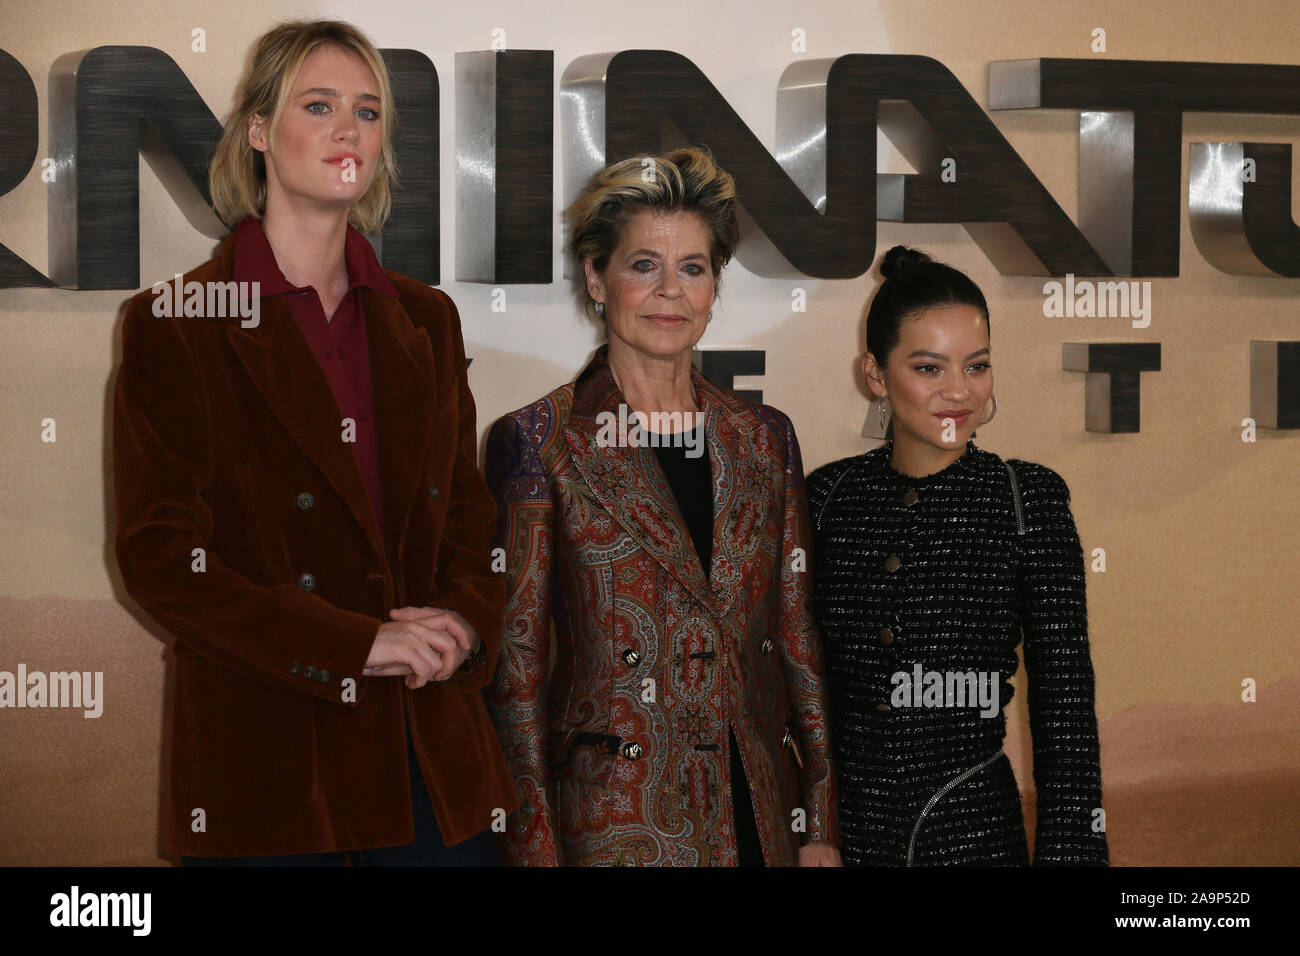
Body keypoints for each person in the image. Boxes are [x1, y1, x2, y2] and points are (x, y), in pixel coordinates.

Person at [112, 19, 516, 865]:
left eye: (368, 112)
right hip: (272, 764)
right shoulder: (175, 323)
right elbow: (160, 557)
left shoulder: (425, 318)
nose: (348, 130)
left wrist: (464, 623)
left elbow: (472, 523)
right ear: (259, 132)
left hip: (431, 759)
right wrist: (350, 641)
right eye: (320, 104)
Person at [484, 147, 840, 866]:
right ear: (596, 278)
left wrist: (819, 827)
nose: (670, 292)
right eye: (644, 265)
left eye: (693, 268)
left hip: (757, 815)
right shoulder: (538, 443)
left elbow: (795, 637)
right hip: (613, 824)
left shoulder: (766, 441)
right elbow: (517, 673)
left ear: (715, 286)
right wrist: (534, 850)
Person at [807, 245, 1108, 866]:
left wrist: (1072, 857)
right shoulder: (827, 497)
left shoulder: (1028, 499)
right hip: (846, 843)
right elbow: (796, 684)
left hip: (975, 835)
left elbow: (1065, 705)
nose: (957, 393)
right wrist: (815, 831)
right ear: (875, 375)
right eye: (928, 368)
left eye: (976, 366)